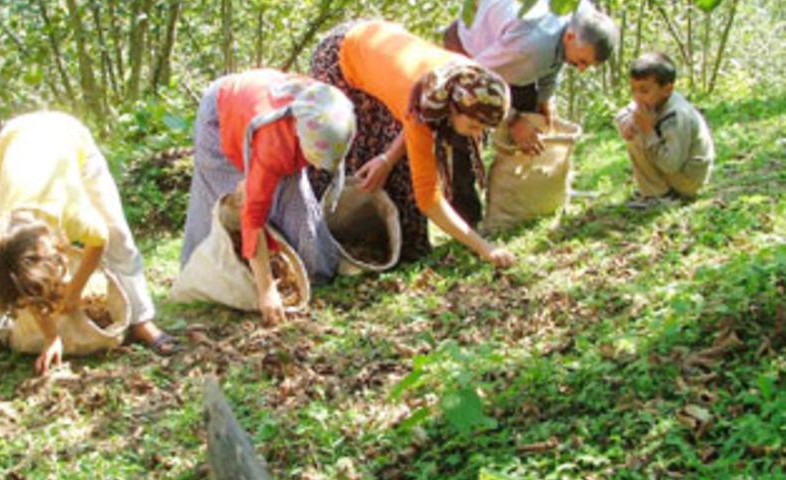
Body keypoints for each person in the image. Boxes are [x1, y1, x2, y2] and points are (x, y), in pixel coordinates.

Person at [0, 111, 179, 376]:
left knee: (120, 239)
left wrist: (74, 291)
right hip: (10, 144)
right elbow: (24, 278)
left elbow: (99, 239)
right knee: (2, 280)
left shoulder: (71, 214)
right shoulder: (0, 239)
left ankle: (141, 321)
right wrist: (51, 337)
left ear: (52, 252)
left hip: (70, 139)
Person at [307, 20, 514, 266]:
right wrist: (485, 248)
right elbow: (429, 198)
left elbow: (412, 116)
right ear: (452, 108)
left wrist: (386, 160)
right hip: (343, 55)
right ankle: (326, 247)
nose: (475, 134)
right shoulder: (432, 93)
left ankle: (405, 249)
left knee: (394, 164)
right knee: (348, 149)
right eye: (473, 127)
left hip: (381, 52)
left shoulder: (469, 80)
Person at [180, 69, 356, 325]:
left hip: (264, 109)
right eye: (315, 160)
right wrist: (266, 290)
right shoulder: (275, 144)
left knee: (294, 201)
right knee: (224, 200)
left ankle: (312, 270)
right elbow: (252, 214)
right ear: (300, 138)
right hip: (222, 114)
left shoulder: (331, 112)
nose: (317, 167)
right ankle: (208, 276)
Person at [444, 0, 618, 154]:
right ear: (570, 37)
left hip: (508, 49)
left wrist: (544, 99)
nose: (581, 70)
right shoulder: (530, 49)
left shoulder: (578, 13)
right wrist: (513, 120)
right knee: (467, 131)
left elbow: (556, 60)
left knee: (532, 116)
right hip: (468, 49)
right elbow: (475, 78)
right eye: (582, 62)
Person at [614, 52, 715, 207]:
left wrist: (648, 131)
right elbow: (623, 112)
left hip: (689, 179)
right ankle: (657, 190)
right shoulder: (652, 102)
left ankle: (660, 196)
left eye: (644, 90)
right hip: (675, 171)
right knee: (634, 125)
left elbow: (671, 164)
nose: (637, 97)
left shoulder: (677, 115)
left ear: (666, 90)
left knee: (639, 132)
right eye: (633, 90)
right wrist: (626, 122)